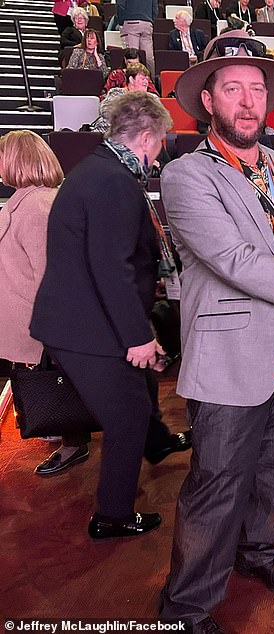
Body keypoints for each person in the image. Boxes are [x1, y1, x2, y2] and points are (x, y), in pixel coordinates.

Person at [158, 31, 274, 634]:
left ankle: (259, 553)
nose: (247, 102)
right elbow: (235, 261)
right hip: (229, 361)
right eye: (232, 88)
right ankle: (186, 609)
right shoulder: (187, 175)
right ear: (207, 100)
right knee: (216, 486)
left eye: (257, 90)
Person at [30, 92, 174, 539]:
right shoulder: (114, 181)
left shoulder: (96, 169)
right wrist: (138, 336)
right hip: (84, 326)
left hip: (80, 319)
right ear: (146, 137)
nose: (161, 152)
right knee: (128, 412)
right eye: (161, 142)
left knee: (138, 389)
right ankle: (112, 515)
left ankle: (157, 444)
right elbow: (111, 267)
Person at [0, 132, 87, 472]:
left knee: (58, 386)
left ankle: (72, 444)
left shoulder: (37, 206)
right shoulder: (30, 201)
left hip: (40, 320)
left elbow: (50, 274)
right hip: (31, 316)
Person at [92, 63, 153, 133]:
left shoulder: (152, 98)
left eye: (147, 79)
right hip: (109, 134)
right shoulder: (116, 93)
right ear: (131, 80)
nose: (146, 82)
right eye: (142, 78)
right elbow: (106, 112)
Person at [117, 0, 157, 77]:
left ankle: (132, 83)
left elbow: (120, 5)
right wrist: (150, 20)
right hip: (147, 23)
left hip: (130, 22)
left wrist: (121, 22)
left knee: (132, 56)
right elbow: (155, 7)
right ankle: (151, 83)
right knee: (148, 58)